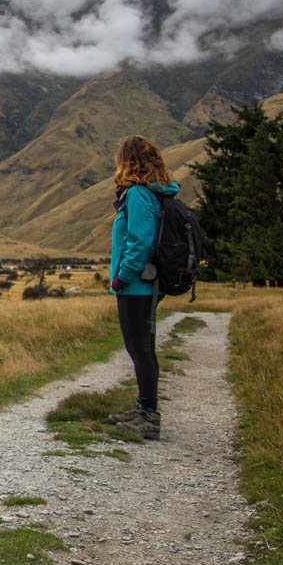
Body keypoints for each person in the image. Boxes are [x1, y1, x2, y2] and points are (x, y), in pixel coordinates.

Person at [106, 135, 180, 440]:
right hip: (147, 283)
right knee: (143, 349)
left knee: (140, 350)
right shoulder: (157, 192)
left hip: (136, 285)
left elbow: (138, 242)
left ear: (128, 160)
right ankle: (142, 408)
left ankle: (149, 416)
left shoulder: (138, 194)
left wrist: (121, 278)